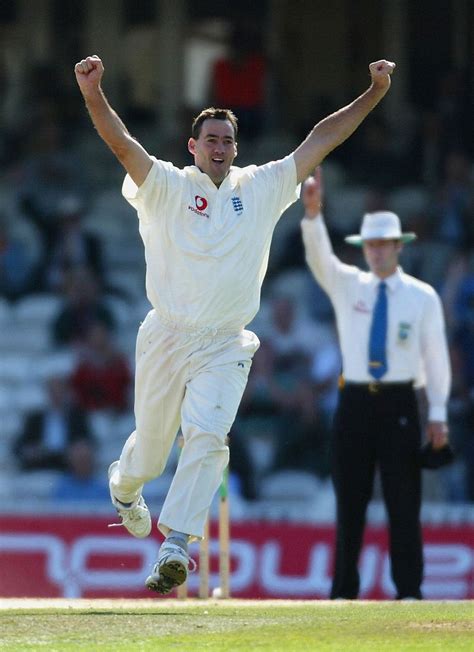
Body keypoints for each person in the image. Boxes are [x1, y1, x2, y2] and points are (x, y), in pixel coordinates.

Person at [74, 53, 396, 595]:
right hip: (167, 335)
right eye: (211, 140)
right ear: (192, 147)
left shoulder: (262, 186)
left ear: (235, 148)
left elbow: (320, 139)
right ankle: (125, 489)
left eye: (227, 140)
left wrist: (375, 93)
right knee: (151, 454)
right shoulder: (167, 186)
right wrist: (92, 93)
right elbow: (122, 144)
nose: (220, 148)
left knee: (208, 435)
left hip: (225, 342)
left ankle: (175, 545)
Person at [300, 168, 451, 600]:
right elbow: (319, 260)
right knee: (350, 501)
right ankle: (344, 591)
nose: (378, 251)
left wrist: (437, 414)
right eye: (371, 244)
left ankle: (409, 592)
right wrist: (313, 215)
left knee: (405, 502)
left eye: (384, 243)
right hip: (355, 402)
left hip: (401, 401)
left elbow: (436, 359)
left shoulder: (421, 296)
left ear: (398, 247)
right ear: (364, 248)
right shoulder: (350, 286)